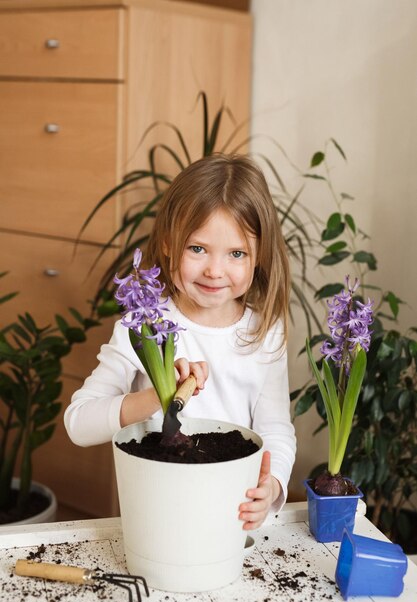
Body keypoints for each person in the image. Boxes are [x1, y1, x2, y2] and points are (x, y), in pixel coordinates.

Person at [64, 153, 296, 530]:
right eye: (198, 248)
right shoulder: (142, 326)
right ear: (170, 243)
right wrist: (156, 395)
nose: (214, 270)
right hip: (159, 513)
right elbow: (78, 423)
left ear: (259, 257)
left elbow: (275, 428)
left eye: (236, 253)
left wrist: (272, 486)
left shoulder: (265, 333)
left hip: (233, 516)